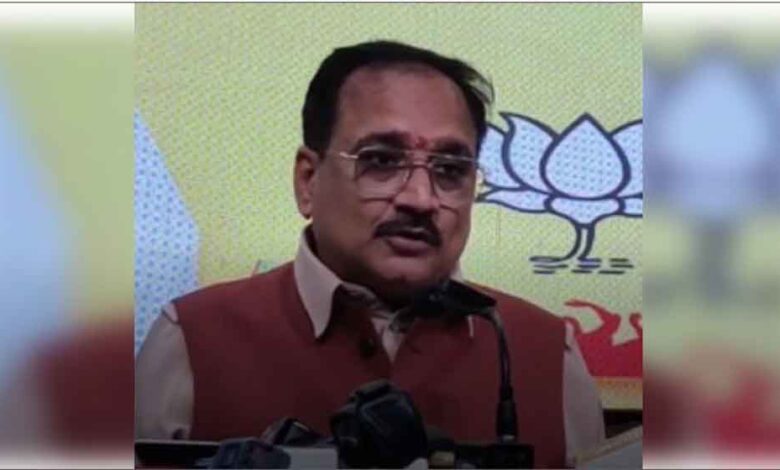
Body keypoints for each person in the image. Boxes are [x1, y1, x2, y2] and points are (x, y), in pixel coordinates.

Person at [135, 40, 605, 468]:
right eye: (381, 160)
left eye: (450, 169)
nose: (421, 198)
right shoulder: (191, 340)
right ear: (308, 181)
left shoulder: (546, 355)